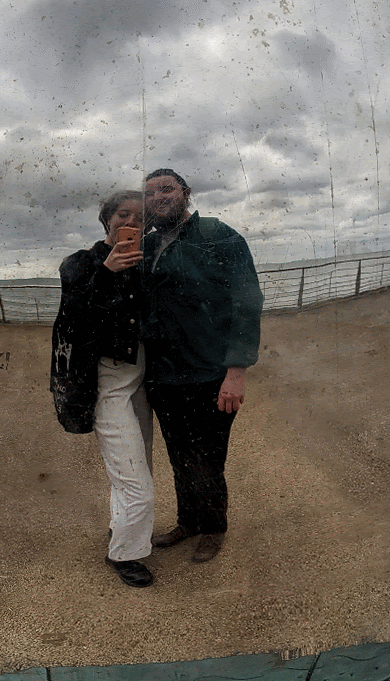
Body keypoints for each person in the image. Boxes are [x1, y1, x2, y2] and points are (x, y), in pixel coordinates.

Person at [142, 169, 263, 563]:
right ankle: (188, 521)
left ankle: (213, 527)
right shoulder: (145, 246)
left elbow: (247, 301)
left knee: (208, 456)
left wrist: (237, 371)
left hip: (210, 375)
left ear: (186, 194)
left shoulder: (217, 235)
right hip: (163, 377)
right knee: (178, 454)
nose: (158, 197)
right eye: (150, 193)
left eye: (166, 189)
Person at [50, 191, 154, 588]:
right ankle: (124, 555)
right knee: (136, 483)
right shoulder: (79, 263)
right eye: (123, 214)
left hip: (141, 380)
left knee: (134, 469)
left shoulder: (146, 263)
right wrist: (107, 272)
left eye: (140, 218)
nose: (131, 222)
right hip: (106, 383)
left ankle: (121, 531)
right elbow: (72, 320)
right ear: (107, 220)